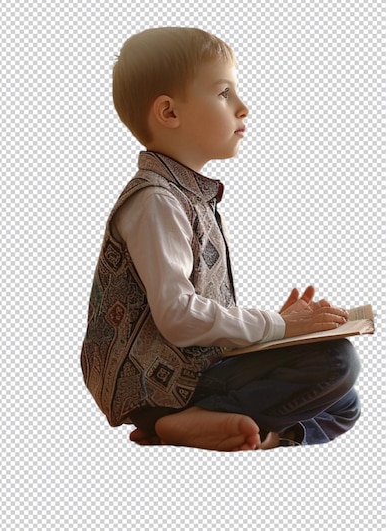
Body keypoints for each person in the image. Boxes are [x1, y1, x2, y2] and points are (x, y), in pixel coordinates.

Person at [80, 27, 362, 451]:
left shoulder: (188, 195)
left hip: (198, 365)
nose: (243, 107)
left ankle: (253, 434)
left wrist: (276, 335)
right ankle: (175, 421)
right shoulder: (156, 201)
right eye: (224, 93)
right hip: (155, 382)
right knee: (338, 361)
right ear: (170, 113)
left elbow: (198, 313)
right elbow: (177, 315)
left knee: (346, 402)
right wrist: (277, 326)